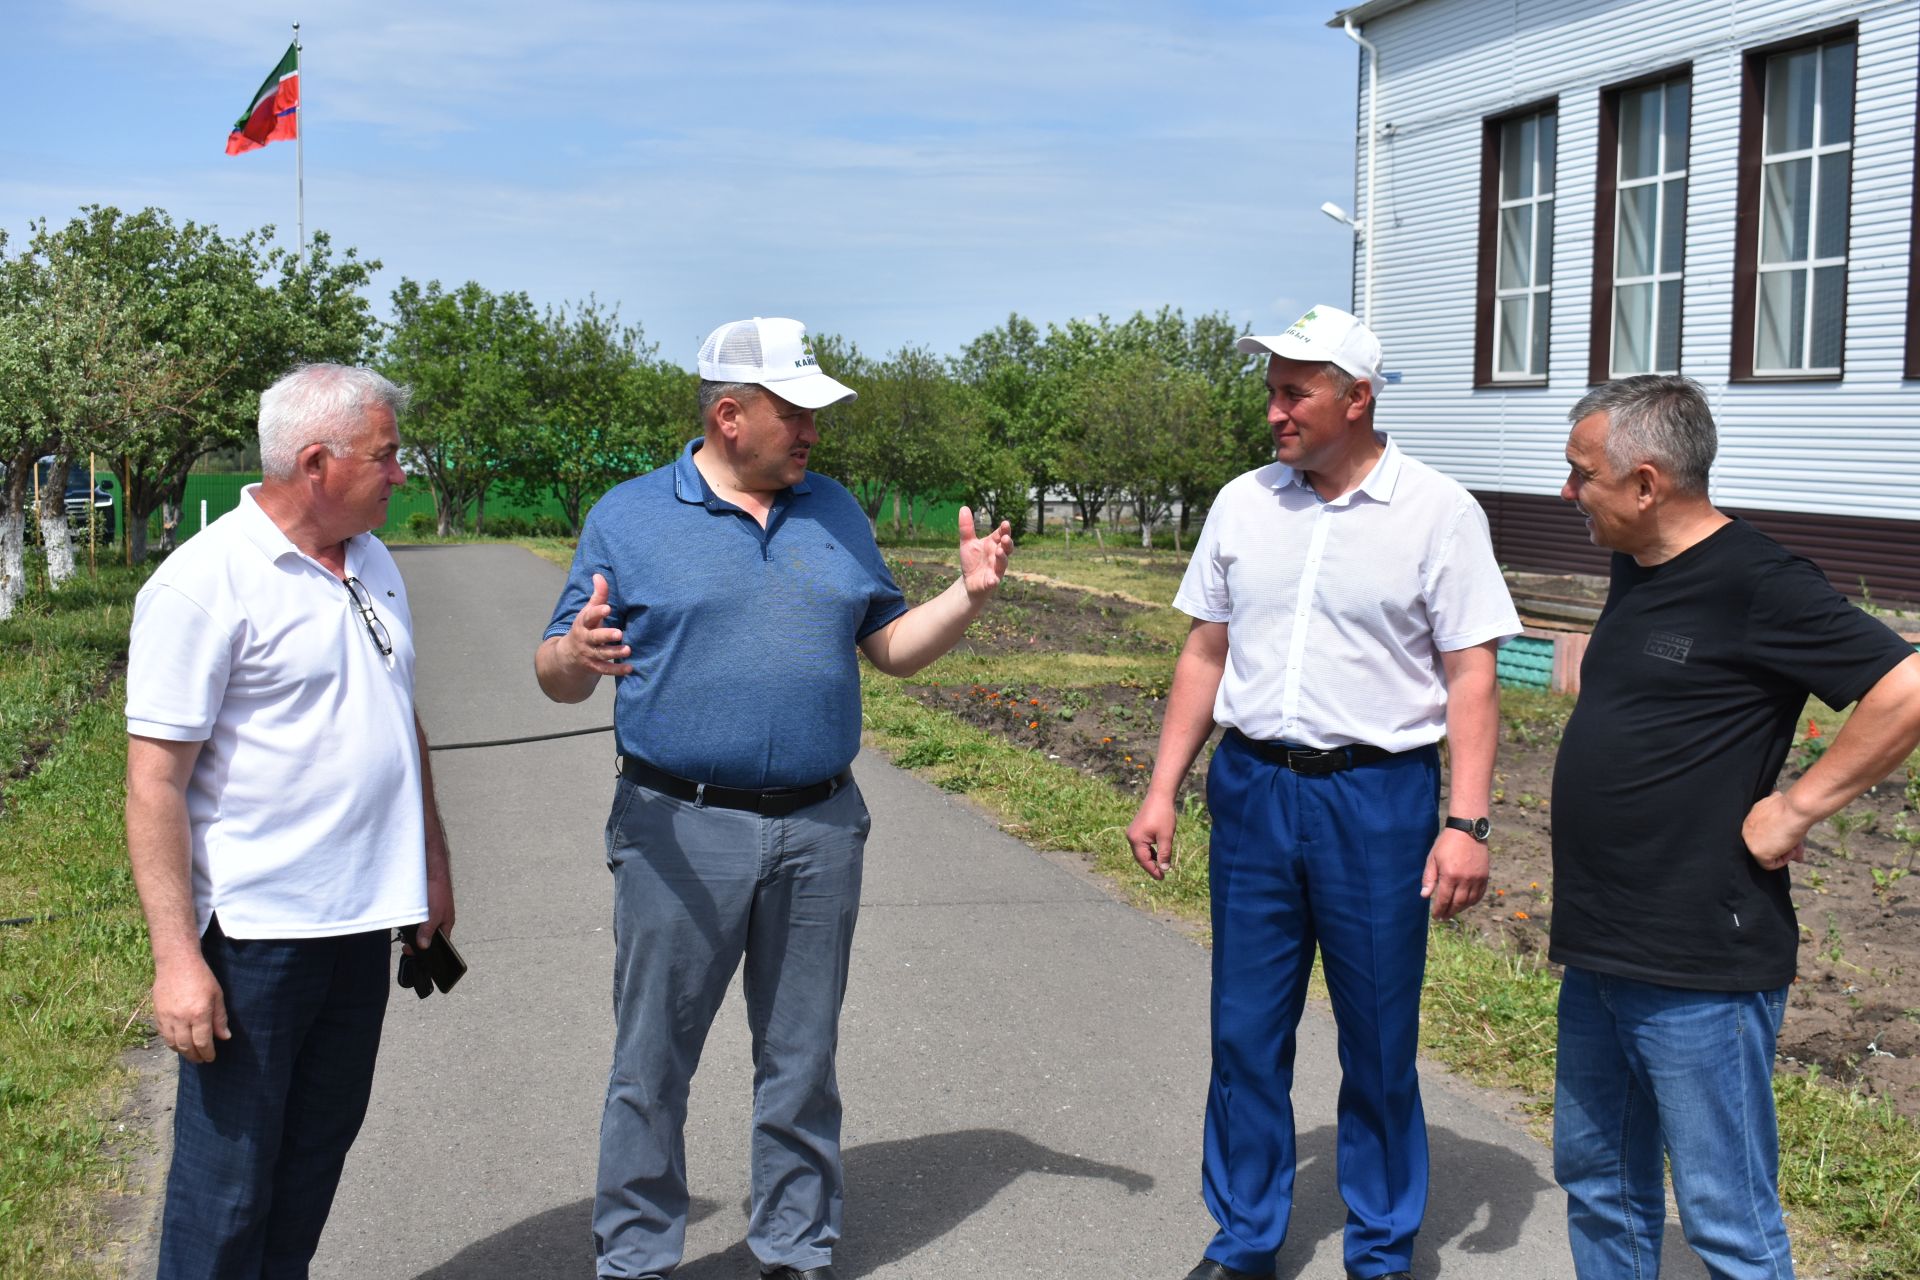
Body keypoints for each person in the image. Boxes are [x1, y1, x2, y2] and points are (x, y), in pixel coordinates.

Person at [535, 315, 1013, 1280]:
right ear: (729, 414)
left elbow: (889, 648)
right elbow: (554, 667)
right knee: (652, 1065)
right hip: (678, 827)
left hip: (819, 828)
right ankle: (636, 1257)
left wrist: (966, 596)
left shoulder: (834, 509)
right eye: (794, 414)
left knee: (800, 1059)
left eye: (816, 416)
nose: (812, 435)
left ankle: (794, 1249)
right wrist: (575, 657)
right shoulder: (627, 517)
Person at [1125, 304, 1519, 1280]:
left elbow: (1473, 672)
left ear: (1357, 396)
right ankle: (1246, 1234)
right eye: (1271, 389)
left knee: (1379, 1037)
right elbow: (1205, 649)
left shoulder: (1437, 511)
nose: (1274, 410)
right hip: (1254, 787)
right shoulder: (1244, 504)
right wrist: (1163, 785)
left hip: (1375, 797)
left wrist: (1466, 821)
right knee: (1244, 1029)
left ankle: (1381, 1246)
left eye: (1294, 390)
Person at [1549, 375, 1920, 1279]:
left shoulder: (1760, 581)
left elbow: (1906, 686)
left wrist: (1796, 806)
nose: (1567, 493)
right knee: (1598, 1181)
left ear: (1647, 483)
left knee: (1725, 1217)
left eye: (1580, 475)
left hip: (1700, 961)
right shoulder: (1634, 564)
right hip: (1601, 942)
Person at [125, 363, 455, 1279]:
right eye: (387, 457)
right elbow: (153, 785)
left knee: (312, 1161)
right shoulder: (204, 584)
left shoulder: (373, 560)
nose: (401, 474)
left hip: (360, 925)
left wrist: (430, 864)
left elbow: (400, 719)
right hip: (257, 939)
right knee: (226, 1187)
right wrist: (176, 960)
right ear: (316, 461)